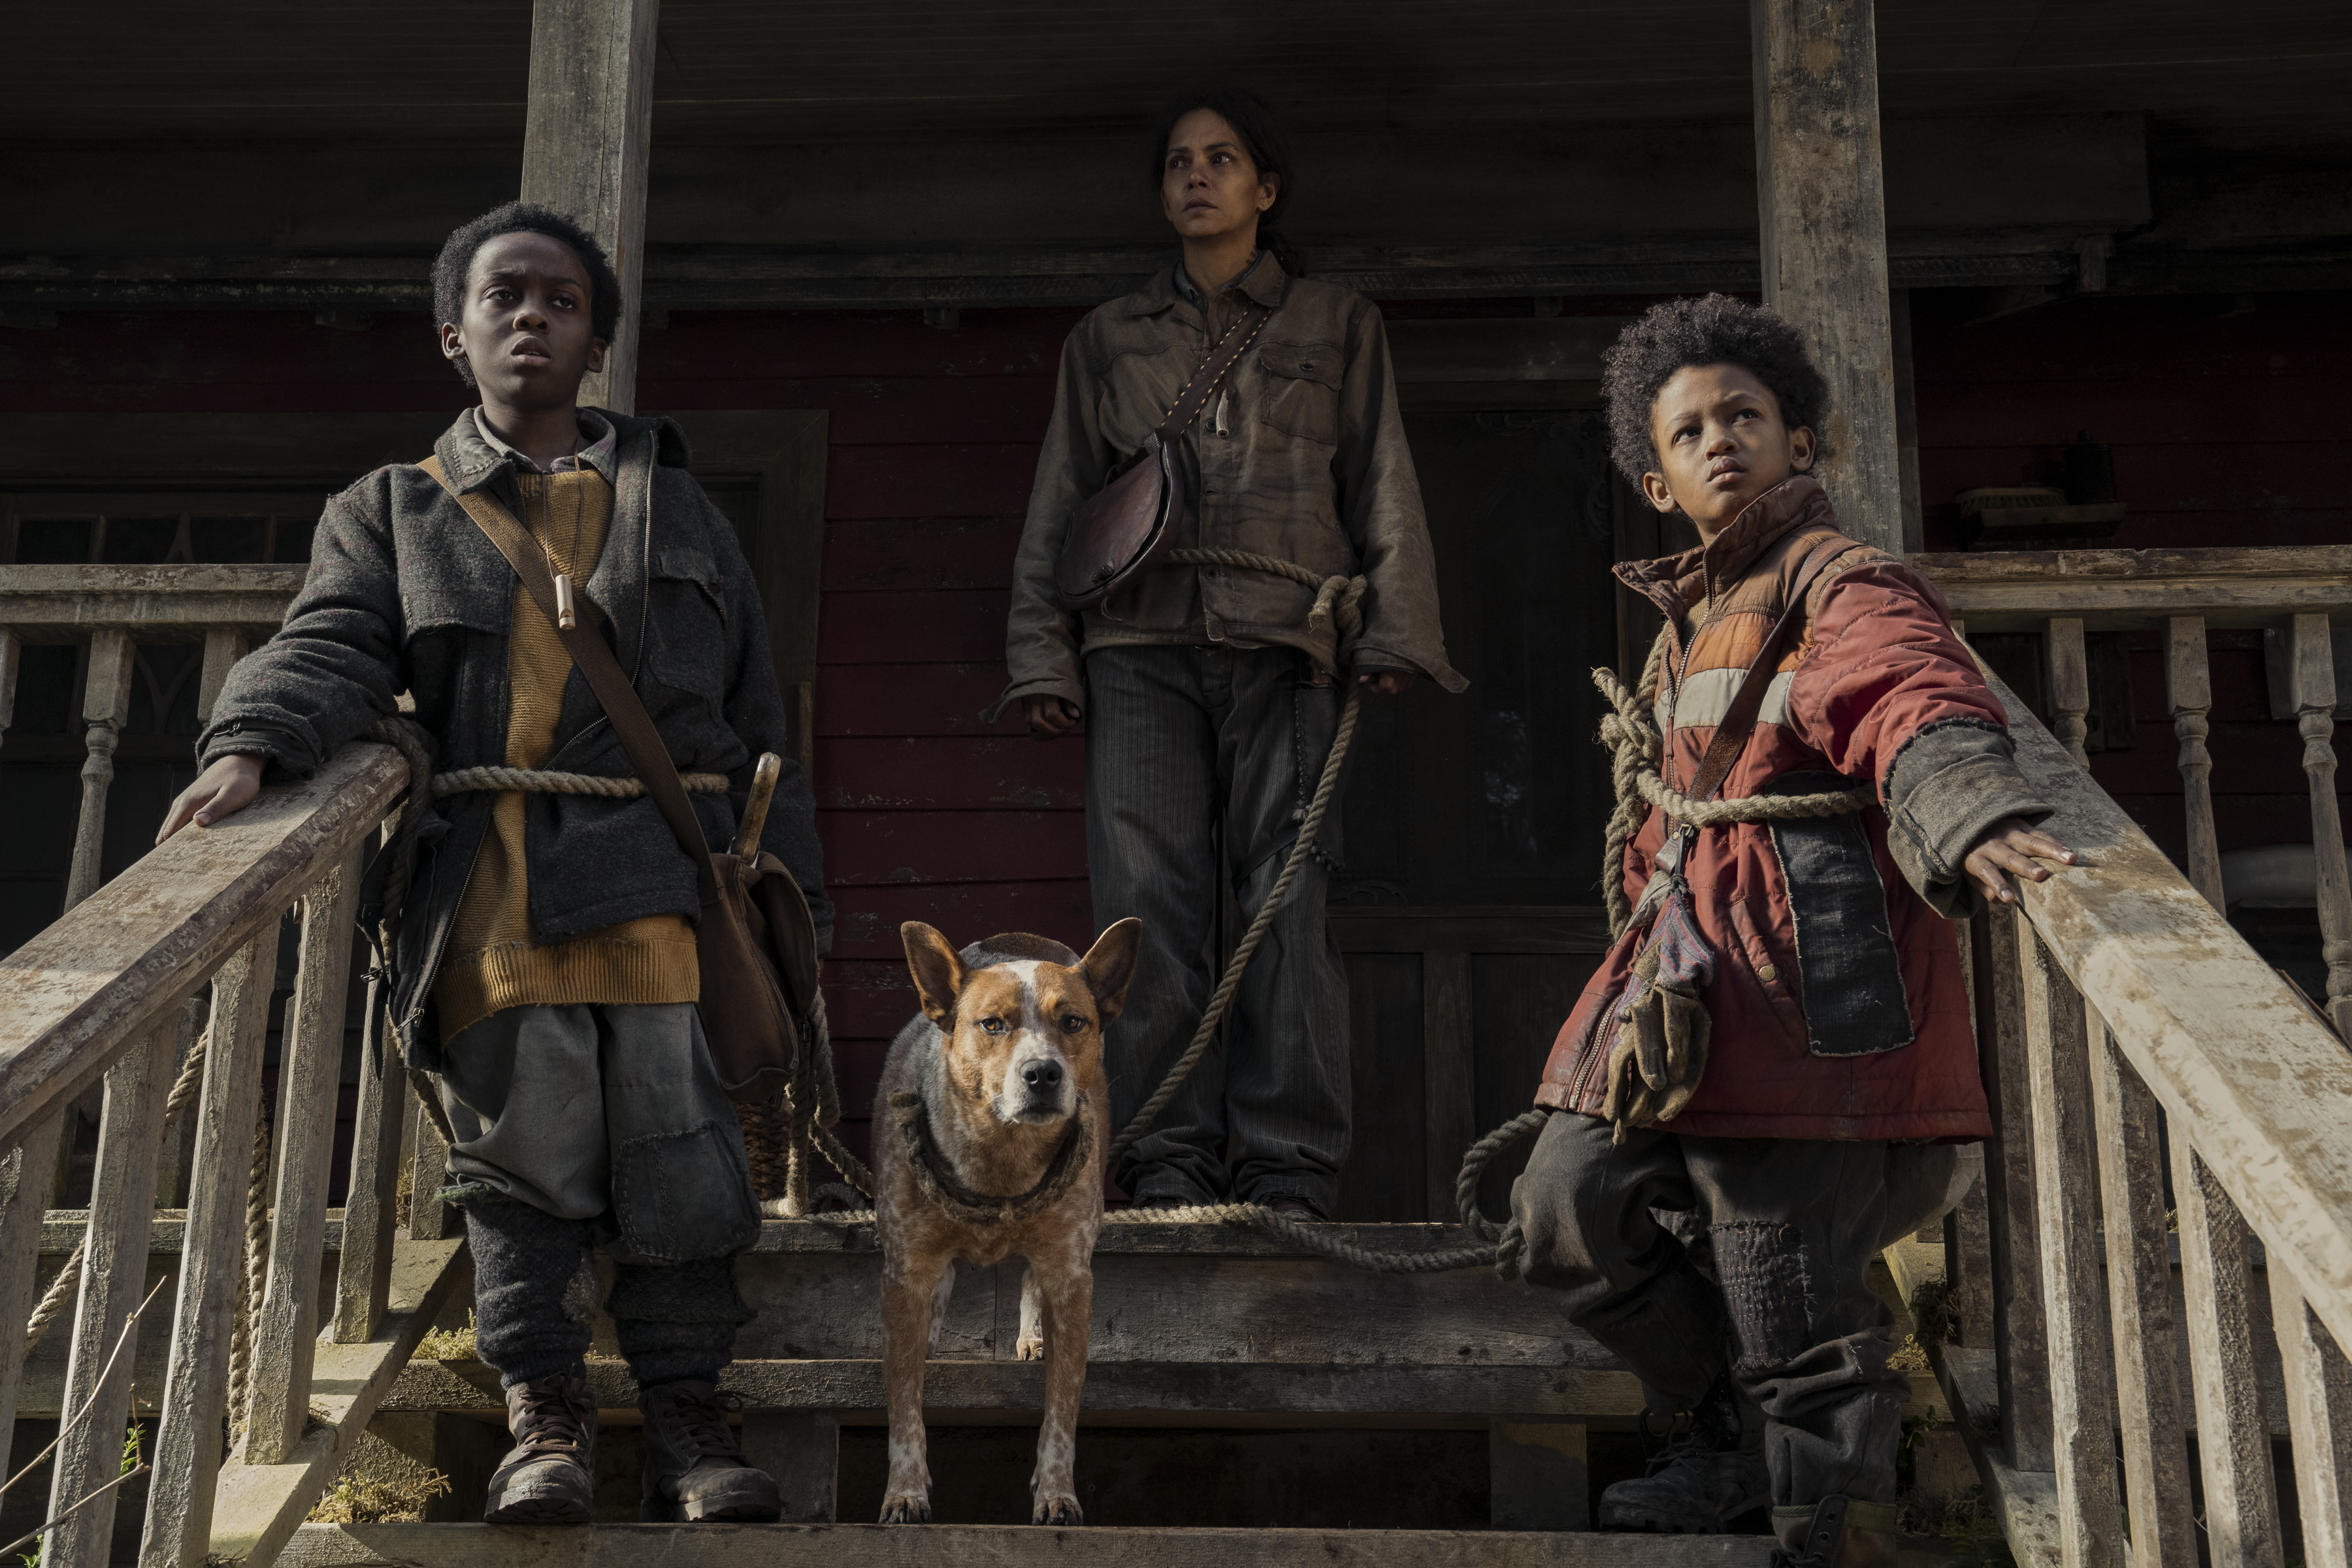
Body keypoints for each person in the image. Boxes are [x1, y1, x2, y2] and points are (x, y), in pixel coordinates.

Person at [159, 202, 829, 1526]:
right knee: (526, 1156)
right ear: (453, 336)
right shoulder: (394, 511)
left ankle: (693, 1428)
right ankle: (546, 1424)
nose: (532, 316)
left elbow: (762, 728)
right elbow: (330, 645)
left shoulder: (684, 512)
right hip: (499, 885)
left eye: (562, 301)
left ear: (596, 344)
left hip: (664, 884)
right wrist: (252, 742)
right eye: (504, 296)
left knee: (682, 1149)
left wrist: (788, 907)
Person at [1506, 295, 2074, 1566]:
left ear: (1799, 444)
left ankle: (1834, 1523)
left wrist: (1967, 807)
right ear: (1656, 479)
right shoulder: (1687, 620)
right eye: (1691, 428)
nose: (1721, 440)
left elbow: (1905, 690)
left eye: (1745, 417)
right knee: (1561, 1209)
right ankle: (1718, 1436)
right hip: (1682, 985)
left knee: (1788, 1290)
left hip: (1805, 989)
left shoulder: (1842, 581)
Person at [991, 88, 1463, 1222]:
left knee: (1285, 908)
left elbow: (1382, 481)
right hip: (1135, 650)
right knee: (1144, 912)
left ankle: (1287, 1169)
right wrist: (1044, 659)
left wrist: (1396, 629)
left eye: (1222, 159)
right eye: (1177, 164)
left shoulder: (1337, 324)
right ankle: (1163, 1160)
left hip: (1289, 646)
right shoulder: (1106, 339)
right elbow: (1061, 501)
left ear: (1267, 187)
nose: (1196, 177)